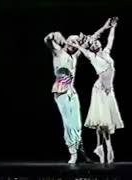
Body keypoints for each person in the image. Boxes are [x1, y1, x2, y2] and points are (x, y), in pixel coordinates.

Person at [43, 19, 110, 163]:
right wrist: (55, 34)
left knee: (78, 124)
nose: (75, 45)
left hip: (71, 92)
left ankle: (81, 152)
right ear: (67, 42)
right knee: (69, 124)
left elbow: (91, 38)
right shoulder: (58, 53)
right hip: (61, 92)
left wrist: (104, 27)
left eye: (76, 44)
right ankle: (73, 153)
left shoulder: (74, 56)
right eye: (73, 42)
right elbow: (47, 39)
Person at [69, 17, 124, 164]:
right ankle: (107, 147)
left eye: (96, 41)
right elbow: (82, 49)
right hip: (99, 90)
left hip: (108, 90)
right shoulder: (92, 56)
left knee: (105, 121)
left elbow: (110, 39)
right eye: (93, 43)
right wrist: (77, 43)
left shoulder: (106, 52)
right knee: (102, 121)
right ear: (92, 48)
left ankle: (102, 147)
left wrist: (112, 27)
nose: (96, 42)